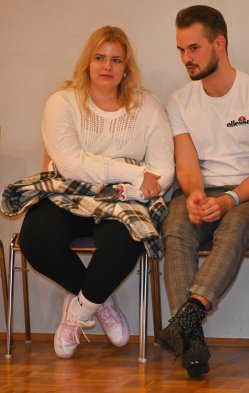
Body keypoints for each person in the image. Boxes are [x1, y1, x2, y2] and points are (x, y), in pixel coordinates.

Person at [5, 26, 174, 359]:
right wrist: (135, 173)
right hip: (68, 193)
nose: (107, 66)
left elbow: (164, 170)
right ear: (87, 62)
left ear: (126, 68)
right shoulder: (62, 102)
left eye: (116, 60)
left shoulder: (148, 106)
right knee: (36, 239)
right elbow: (70, 165)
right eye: (99, 58)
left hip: (121, 199)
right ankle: (100, 301)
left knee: (126, 240)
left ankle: (80, 312)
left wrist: (128, 187)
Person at [158, 5, 249, 378]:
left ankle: (189, 315)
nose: (186, 58)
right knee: (175, 224)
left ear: (220, 43)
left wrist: (230, 200)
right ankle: (192, 341)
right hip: (204, 189)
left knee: (234, 224)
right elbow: (186, 166)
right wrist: (195, 194)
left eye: (194, 48)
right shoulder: (180, 101)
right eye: (181, 50)